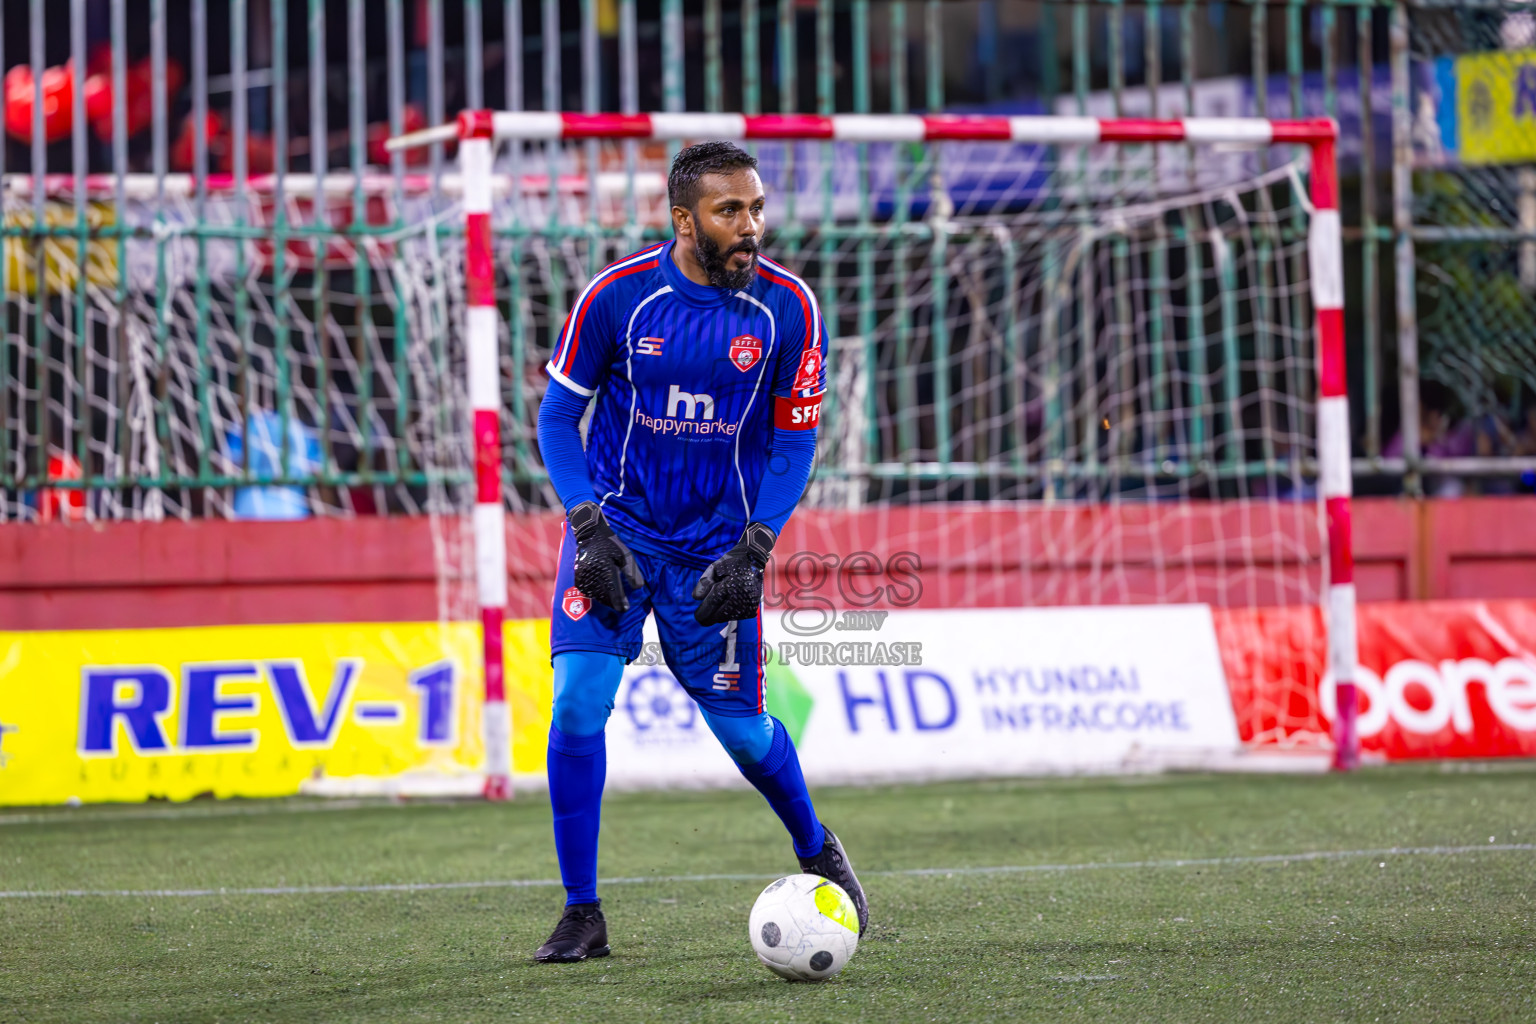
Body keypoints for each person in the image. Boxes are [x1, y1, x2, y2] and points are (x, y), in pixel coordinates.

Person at [531, 141, 868, 963]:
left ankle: (816, 846)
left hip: (718, 556)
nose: (749, 225)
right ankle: (582, 913)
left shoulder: (789, 308)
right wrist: (587, 529)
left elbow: (795, 443)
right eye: (730, 211)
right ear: (683, 220)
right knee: (578, 702)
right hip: (621, 541)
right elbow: (554, 418)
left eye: (755, 208)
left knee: (747, 736)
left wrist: (756, 548)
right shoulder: (619, 298)